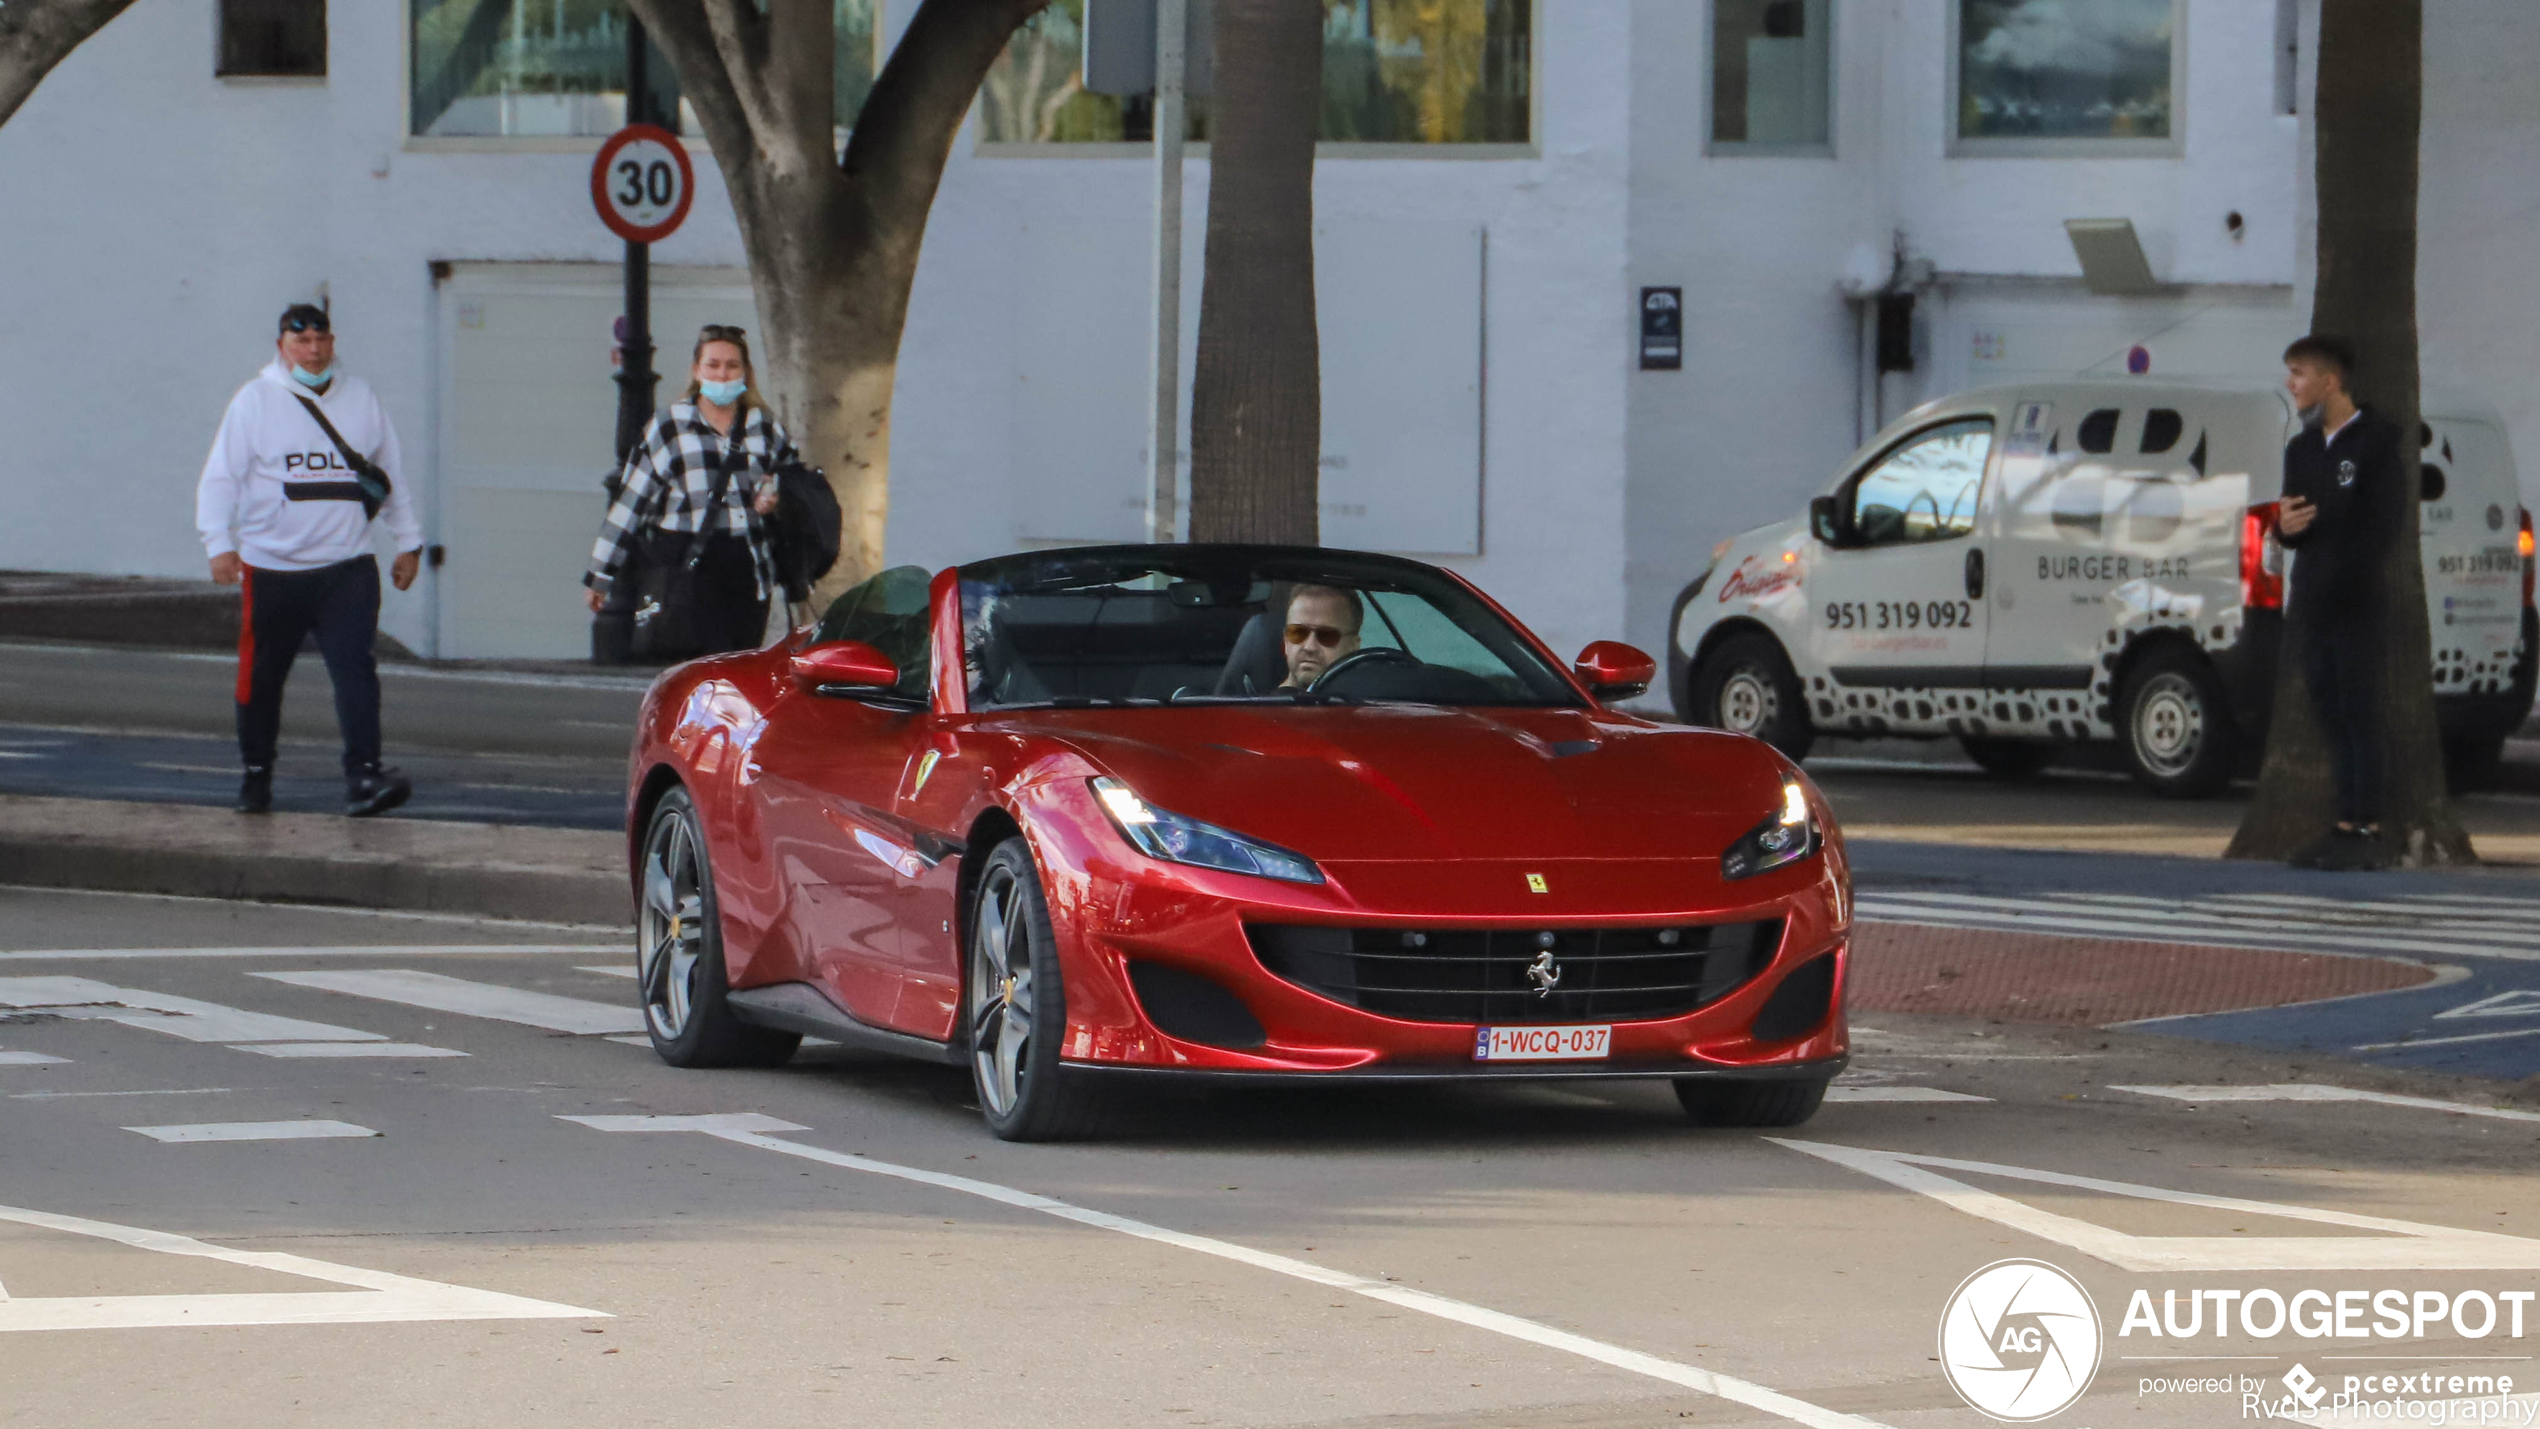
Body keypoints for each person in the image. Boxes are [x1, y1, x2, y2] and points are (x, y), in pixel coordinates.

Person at [197, 304, 422, 817]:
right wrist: (219, 543)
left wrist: (408, 543)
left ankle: (364, 776)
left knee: (356, 673)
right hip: (273, 569)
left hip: (346, 567)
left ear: (333, 342)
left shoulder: (361, 397)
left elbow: (390, 475)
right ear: (282, 346)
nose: (313, 350)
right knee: (261, 678)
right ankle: (256, 775)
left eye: (321, 340)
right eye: (301, 342)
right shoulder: (255, 401)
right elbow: (220, 479)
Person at [583, 324, 789, 655]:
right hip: (686, 562)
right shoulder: (671, 426)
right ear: (697, 370)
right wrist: (601, 572)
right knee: (693, 667)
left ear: (745, 372)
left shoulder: (763, 426)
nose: (722, 375)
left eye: (732, 365)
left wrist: (773, 496)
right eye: (713, 364)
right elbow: (631, 502)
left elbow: (785, 477)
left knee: (736, 671)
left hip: (747, 564)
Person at [2276, 333, 2403, 868]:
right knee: (2328, 709)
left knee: (2359, 709)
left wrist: (2344, 571)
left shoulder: (2375, 444)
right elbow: (2295, 523)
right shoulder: (2302, 449)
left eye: (2300, 373)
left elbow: (2382, 526)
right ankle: (2341, 822)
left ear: (2331, 381)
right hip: (2313, 603)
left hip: (2355, 604)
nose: (2292, 384)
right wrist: (2284, 529)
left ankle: (2366, 827)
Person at [1280, 585, 1365, 688]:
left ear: (1353, 647)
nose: (1309, 647)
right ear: (1286, 641)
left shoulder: (1372, 702)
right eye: (1298, 633)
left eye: (1327, 636)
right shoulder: (1262, 704)